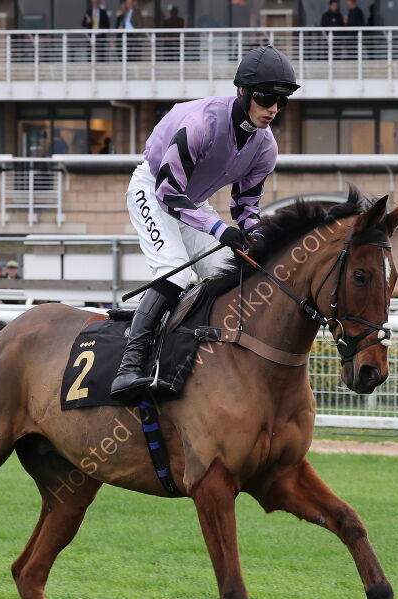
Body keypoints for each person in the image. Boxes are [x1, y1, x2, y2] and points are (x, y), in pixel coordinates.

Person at [110, 45, 299, 402]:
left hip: (193, 203)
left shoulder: (265, 148)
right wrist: (218, 229)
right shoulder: (201, 124)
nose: (273, 108)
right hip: (153, 190)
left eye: (282, 100)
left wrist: (262, 243)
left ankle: (193, 360)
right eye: (265, 98)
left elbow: (245, 208)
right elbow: (168, 191)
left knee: (234, 272)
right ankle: (129, 366)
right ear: (242, 91)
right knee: (176, 274)